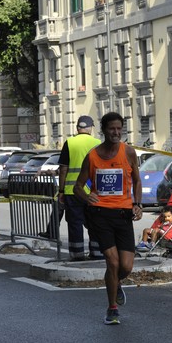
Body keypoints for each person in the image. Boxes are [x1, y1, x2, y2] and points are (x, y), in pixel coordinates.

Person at [73, 112, 143, 325]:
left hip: (123, 215)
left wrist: (138, 204)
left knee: (126, 266)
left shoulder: (128, 152)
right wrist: (87, 196)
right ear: (103, 130)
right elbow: (78, 186)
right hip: (100, 214)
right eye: (112, 128)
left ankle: (115, 284)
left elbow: (137, 182)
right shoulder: (93, 156)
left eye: (119, 128)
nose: (116, 132)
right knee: (112, 262)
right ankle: (112, 308)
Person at [58, 115, 102, 261]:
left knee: (75, 223)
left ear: (77, 128)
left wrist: (61, 191)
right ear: (90, 128)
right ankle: (97, 252)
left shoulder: (69, 143)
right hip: (93, 192)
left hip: (72, 192)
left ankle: (77, 254)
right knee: (95, 222)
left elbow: (63, 169)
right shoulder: (97, 143)